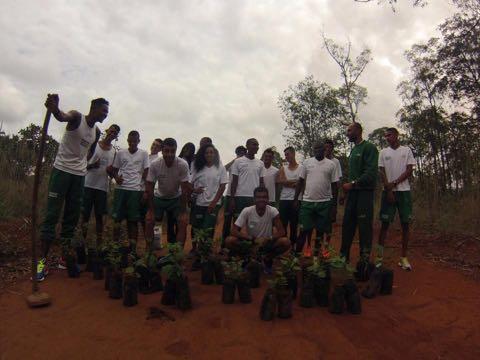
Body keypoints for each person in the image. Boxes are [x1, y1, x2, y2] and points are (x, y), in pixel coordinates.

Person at [36, 94, 108, 281]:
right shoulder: (77, 117)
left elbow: (89, 152)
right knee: (52, 216)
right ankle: (40, 266)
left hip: (79, 177)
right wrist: (54, 109)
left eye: (107, 111)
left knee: (71, 218)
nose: (106, 114)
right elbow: (61, 116)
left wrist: (85, 165)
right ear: (94, 108)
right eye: (104, 110)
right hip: (61, 172)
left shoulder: (97, 132)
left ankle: (63, 258)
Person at [340, 123, 379, 267]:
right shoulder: (354, 150)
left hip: (364, 194)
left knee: (364, 228)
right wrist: (345, 193)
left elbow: (370, 173)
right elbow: (351, 175)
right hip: (352, 195)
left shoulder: (369, 148)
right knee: (347, 226)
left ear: (358, 130)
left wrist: (354, 184)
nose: (347, 133)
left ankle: (364, 262)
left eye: (349, 130)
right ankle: (343, 258)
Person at [225, 186, 290, 272]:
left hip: (267, 243)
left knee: (286, 242)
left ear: (268, 199)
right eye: (258, 197)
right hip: (250, 243)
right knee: (229, 240)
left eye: (264, 197)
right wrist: (251, 238)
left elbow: (282, 232)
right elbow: (233, 231)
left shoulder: (273, 211)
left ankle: (267, 258)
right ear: (254, 199)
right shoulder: (247, 211)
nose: (261, 200)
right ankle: (246, 258)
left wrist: (268, 239)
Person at [377, 128, 415, 271]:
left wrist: (395, 183)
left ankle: (403, 258)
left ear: (396, 135)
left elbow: (409, 170)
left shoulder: (406, 150)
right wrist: (389, 189)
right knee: (384, 225)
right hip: (387, 192)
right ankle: (379, 258)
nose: (387, 137)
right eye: (385, 136)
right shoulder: (383, 152)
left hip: (404, 192)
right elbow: (381, 171)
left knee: (406, 224)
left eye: (390, 135)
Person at [80, 124, 120, 252]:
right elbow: (82, 164)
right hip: (87, 185)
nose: (112, 134)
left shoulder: (114, 152)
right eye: (111, 131)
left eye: (115, 133)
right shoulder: (94, 145)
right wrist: (92, 165)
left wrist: (113, 174)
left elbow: (112, 172)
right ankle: (81, 245)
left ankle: (99, 247)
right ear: (107, 130)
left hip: (102, 188)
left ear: (116, 137)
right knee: (84, 216)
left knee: (99, 218)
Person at [293, 142, 338, 255]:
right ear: (313, 150)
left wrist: (334, 206)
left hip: (324, 203)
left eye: (320, 148)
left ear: (324, 150)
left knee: (320, 232)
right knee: (303, 230)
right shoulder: (307, 162)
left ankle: (316, 257)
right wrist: (296, 199)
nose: (317, 150)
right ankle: (296, 257)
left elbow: (334, 186)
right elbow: (300, 181)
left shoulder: (331, 164)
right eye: (315, 149)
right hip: (307, 202)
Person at [145, 138, 190, 247]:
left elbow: (185, 190)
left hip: (176, 198)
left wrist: (183, 212)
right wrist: (150, 210)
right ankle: (151, 252)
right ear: (162, 151)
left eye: (172, 151)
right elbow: (149, 186)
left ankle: (177, 254)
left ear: (176, 151)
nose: (169, 154)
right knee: (150, 221)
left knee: (182, 223)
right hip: (159, 196)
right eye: (166, 151)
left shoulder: (182, 164)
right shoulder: (155, 164)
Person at [111, 131, 149, 254]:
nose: (132, 143)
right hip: (121, 190)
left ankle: (132, 249)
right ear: (127, 140)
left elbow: (147, 171)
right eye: (130, 141)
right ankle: (114, 248)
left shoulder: (144, 154)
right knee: (117, 219)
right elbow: (114, 170)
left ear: (139, 141)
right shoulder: (121, 153)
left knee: (133, 221)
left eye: (135, 141)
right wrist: (116, 178)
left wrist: (144, 189)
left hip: (135, 191)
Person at [190, 144, 228, 240]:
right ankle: (194, 249)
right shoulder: (198, 168)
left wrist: (213, 203)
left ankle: (206, 250)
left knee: (208, 228)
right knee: (196, 227)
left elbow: (222, 186)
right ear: (203, 154)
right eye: (206, 152)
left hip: (213, 204)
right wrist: (195, 190)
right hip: (199, 203)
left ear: (215, 154)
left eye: (211, 152)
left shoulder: (220, 168)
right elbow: (189, 184)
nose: (209, 154)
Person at [229, 138, 265, 218]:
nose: (257, 147)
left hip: (254, 198)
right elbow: (234, 182)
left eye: (258, 145)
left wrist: (262, 198)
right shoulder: (238, 161)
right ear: (247, 146)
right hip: (240, 197)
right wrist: (232, 199)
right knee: (238, 223)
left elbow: (261, 182)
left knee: (253, 224)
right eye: (254, 144)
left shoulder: (260, 163)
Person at [277, 146, 303, 248]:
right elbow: (280, 181)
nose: (286, 156)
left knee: (294, 224)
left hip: (296, 200)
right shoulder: (283, 168)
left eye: (287, 154)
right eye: (285, 155)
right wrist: (295, 182)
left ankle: (292, 246)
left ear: (293, 154)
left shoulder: (301, 168)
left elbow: (302, 183)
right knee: (283, 224)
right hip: (284, 199)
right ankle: (282, 247)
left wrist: (288, 182)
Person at [222, 145, 247, 241]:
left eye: (243, 152)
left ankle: (236, 244)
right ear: (236, 153)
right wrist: (235, 160)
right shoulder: (234, 163)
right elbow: (223, 169)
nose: (241, 154)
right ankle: (224, 244)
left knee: (238, 222)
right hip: (229, 195)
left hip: (240, 196)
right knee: (227, 221)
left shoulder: (246, 163)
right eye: (239, 152)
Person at [324, 139, 342, 244]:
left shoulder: (336, 162)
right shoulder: (319, 160)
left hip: (331, 196)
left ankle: (326, 245)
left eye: (329, 147)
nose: (327, 149)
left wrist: (337, 197)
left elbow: (338, 180)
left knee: (329, 222)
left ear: (332, 149)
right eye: (325, 147)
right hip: (320, 195)